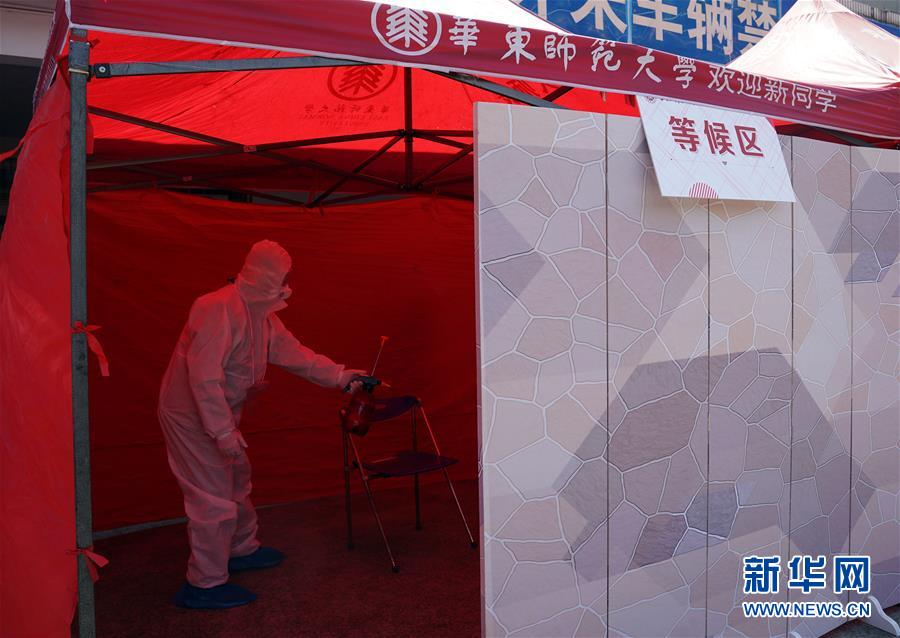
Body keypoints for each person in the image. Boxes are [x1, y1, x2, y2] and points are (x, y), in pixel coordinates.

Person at [158, 240, 364, 609]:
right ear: (266, 276)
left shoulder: (260, 315)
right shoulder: (215, 307)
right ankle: (204, 584)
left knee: (237, 477)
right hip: (191, 417)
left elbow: (294, 354)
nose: (287, 284)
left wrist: (340, 376)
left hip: (220, 414)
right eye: (283, 277)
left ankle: (240, 549)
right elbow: (203, 378)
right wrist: (222, 432)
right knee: (212, 495)